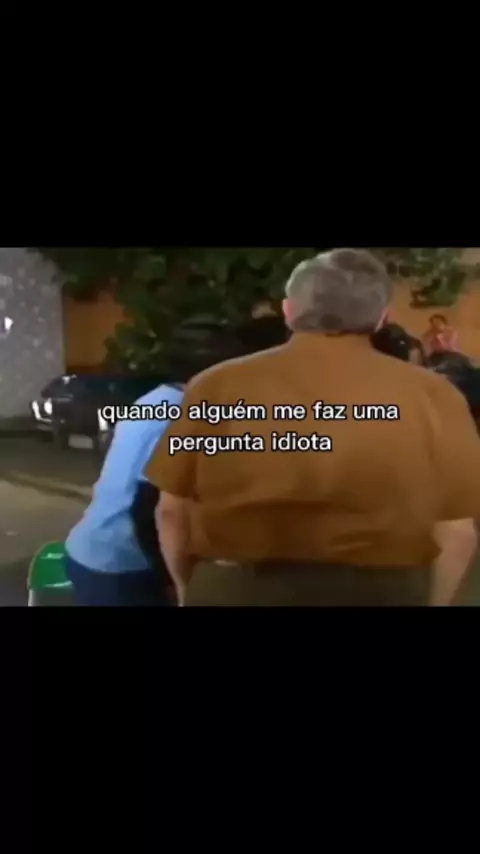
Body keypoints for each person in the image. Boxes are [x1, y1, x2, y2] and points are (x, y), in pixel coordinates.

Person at [145, 249, 480, 607]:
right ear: (382, 318)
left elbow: (171, 511)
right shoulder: (435, 394)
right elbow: (457, 530)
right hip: (382, 591)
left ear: (288, 311)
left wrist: (189, 590)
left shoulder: (214, 385)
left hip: (237, 588)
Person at [64, 382, 184, 606]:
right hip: (124, 568)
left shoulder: (156, 397)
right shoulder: (187, 414)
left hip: (92, 551)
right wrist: (171, 581)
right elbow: (147, 509)